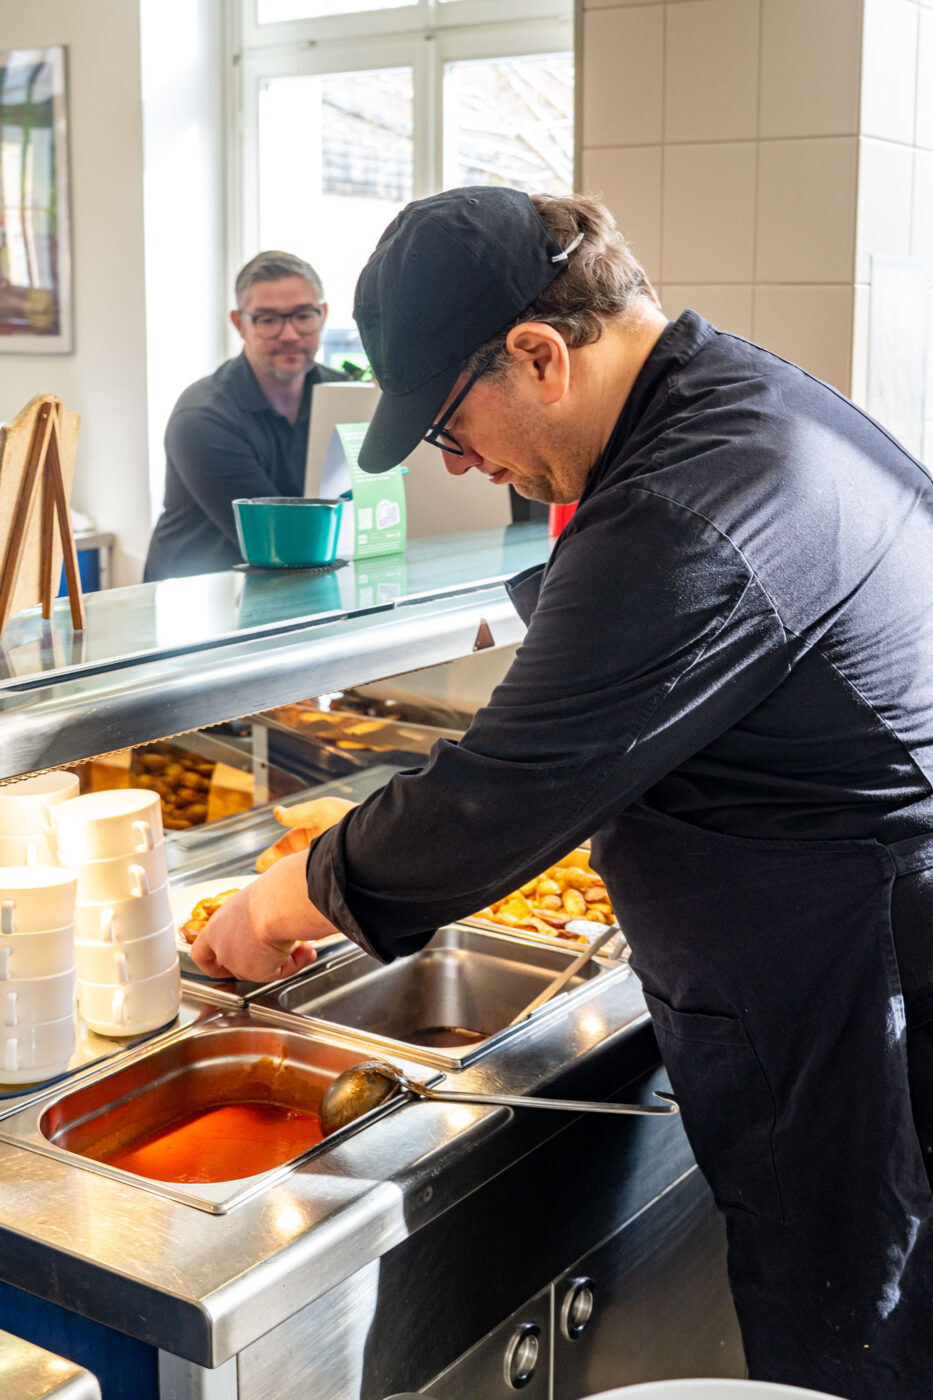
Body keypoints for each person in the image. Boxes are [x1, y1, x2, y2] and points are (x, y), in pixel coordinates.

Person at [192, 187, 933, 1399]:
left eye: (451, 426)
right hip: (831, 983)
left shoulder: (686, 501)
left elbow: (494, 795)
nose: (458, 461)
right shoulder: (731, 403)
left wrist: (284, 896)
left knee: (855, 1353)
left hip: (858, 1022)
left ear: (540, 354)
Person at [144, 251, 347, 580]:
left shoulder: (344, 395)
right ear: (240, 324)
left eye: (303, 316)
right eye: (268, 320)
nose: (290, 334)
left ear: (322, 315)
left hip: (297, 585)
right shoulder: (202, 418)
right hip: (200, 595)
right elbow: (279, 541)